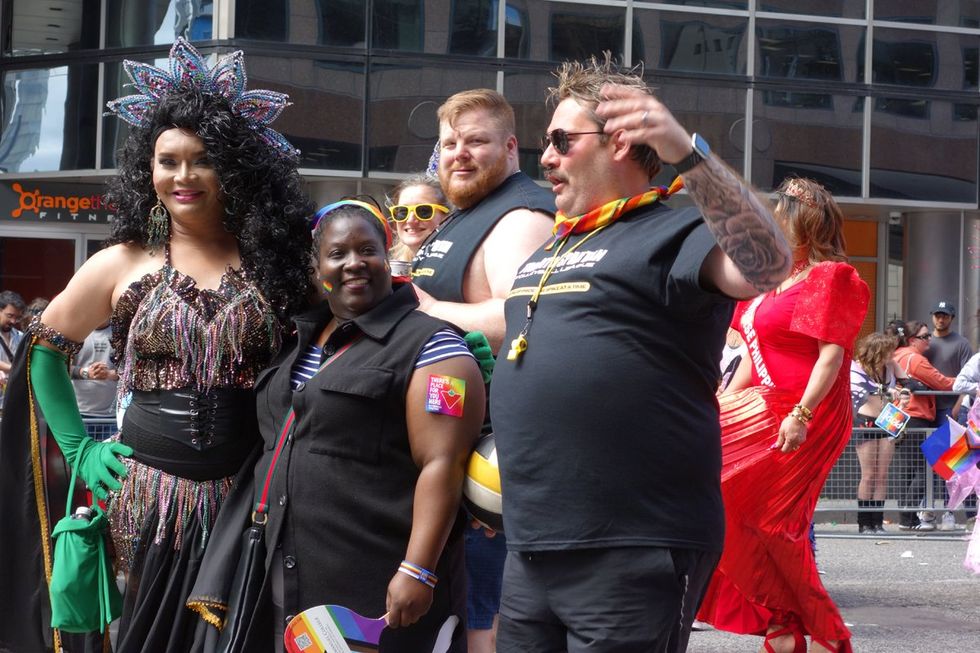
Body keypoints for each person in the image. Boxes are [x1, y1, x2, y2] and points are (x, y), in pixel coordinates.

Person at [0, 38, 314, 653]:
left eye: (203, 160)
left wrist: (443, 344)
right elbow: (44, 348)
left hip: (246, 500)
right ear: (148, 167)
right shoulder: (120, 262)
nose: (183, 176)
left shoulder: (277, 264)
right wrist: (80, 451)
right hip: (144, 499)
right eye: (168, 160)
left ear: (236, 167)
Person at [489, 56, 792, 653]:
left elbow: (768, 264)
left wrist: (684, 148)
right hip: (532, 548)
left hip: (635, 544)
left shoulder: (672, 231)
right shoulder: (549, 247)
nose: (544, 158)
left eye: (560, 141)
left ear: (621, 142)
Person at [191, 200, 485, 652]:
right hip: (287, 581)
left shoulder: (434, 347)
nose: (354, 264)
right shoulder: (299, 340)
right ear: (317, 266)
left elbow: (442, 464)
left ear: (387, 254)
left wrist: (418, 569)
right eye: (337, 254)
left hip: (377, 588)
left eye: (367, 249)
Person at [697, 177, 870, 653]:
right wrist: (719, 404)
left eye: (777, 214)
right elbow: (751, 358)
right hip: (764, 402)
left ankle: (821, 633)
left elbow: (831, 357)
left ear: (803, 222)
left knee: (775, 525)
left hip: (804, 409)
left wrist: (802, 413)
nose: (768, 222)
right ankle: (783, 624)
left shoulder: (829, 276)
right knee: (718, 490)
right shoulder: (767, 282)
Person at [411, 88, 555, 653]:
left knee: (484, 619)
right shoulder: (468, 216)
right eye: (450, 143)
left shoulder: (519, 216)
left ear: (511, 147)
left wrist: (426, 311)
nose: (460, 154)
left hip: (487, 465)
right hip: (450, 448)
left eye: (476, 141)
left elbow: (525, 314)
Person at [891, 320, 956, 532]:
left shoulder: (896, 355)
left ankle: (905, 518)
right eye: (924, 336)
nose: (929, 339)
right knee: (925, 469)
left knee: (907, 470)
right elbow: (942, 383)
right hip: (916, 416)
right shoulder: (915, 360)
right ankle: (908, 517)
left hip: (898, 417)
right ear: (912, 340)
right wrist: (966, 382)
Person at [850, 331, 904, 534]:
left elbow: (910, 383)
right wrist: (888, 392)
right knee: (869, 474)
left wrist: (902, 392)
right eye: (889, 351)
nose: (893, 355)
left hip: (888, 419)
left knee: (882, 474)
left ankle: (877, 522)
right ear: (878, 352)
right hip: (867, 421)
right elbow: (861, 388)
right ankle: (864, 523)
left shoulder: (890, 366)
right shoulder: (857, 367)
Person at [924, 300, 972, 425]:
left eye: (945, 316)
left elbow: (968, 379)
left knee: (947, 444)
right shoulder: (923, 341)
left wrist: (956, 409)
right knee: (919, 443)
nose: (941, 320)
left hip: (949, 406)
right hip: (923, 406)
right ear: (932, 316)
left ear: (952, 318)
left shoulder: (962, 343)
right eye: (937, 316)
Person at [70, 321, 120, 440]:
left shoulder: (119, 333)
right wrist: (87, 373)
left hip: (111, 415)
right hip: (80, 412)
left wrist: (108, 374)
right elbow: (63, 367)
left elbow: (130, 369)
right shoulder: (77, 332)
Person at [387, 172, 450, 263]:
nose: (410, 220)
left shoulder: (459, 266)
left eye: (423, 211)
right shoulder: (389, 270)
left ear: (447, 217)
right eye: (403, 211)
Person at [0, 290, 25, 400]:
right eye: (9, 315)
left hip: (12, 399)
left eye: (17, 317)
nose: (13, 321)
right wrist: (15, 369)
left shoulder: (20, 336)